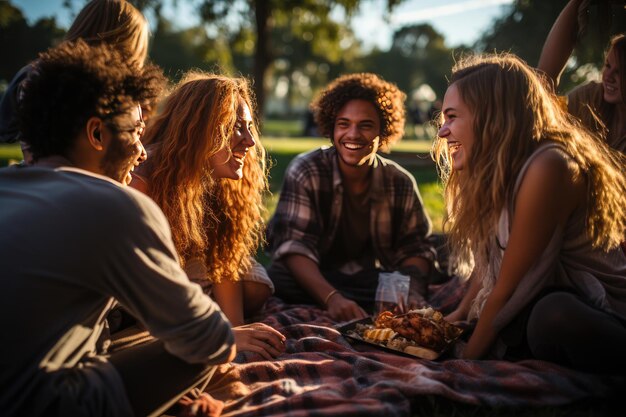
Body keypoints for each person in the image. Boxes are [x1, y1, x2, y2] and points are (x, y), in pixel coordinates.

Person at [0, 41, 236, 416]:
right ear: (97, 134)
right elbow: (210, 340)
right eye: (136, 131)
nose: (143, 150)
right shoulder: (116, 205)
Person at [434, 53, 626, 373]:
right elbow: (490, 264)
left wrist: (463, 362)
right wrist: (455, 319)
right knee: (527, 319)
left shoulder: (548, 165)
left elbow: (509, 287)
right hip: (539, 299)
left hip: (602, 312)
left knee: (552, 315)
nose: (443, 133)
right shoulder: (498, 169)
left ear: (490, 115)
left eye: (452, 117)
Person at [130, 72, 286, 360]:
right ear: (200, 128)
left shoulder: (216, 176)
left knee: (258, 287)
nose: (250, 141)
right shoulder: (143, 180)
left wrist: (236, 328)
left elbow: (224, 256)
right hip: (148, 281)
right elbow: (140, 283)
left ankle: (200, 304)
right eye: (236, 128)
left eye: (250, 127)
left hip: (189, 263)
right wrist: (222, 337)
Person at [266, 73, 436, 322]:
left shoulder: (399, 181)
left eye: (365, 125)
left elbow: (417, 248)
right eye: (343, 124)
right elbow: (294, 246)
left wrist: (408, 290)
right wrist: (332, 298)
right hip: (315, 275)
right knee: (280, 277)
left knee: (421, 274)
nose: (353, 134)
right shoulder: (307, 170)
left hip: (368, 278)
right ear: (331, 127)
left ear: (384, 130)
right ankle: (343, 300)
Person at [0, 0, 150, 162]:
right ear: (123, 45)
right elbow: (35, 157)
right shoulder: (46, 77)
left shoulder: (41, 72)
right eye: (136, 51)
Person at [537, 0, 625, 152]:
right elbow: (543, 82)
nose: (608, 76)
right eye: (608, 66)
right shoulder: (593, 99)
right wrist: (576, 3)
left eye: (620, 71)